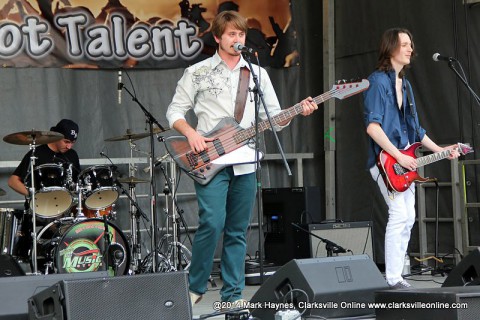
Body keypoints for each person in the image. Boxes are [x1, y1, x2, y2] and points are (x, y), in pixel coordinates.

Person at [166, 11, 317, 306]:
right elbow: (174, 111)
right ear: (219, 37)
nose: (237, 39)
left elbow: (273, 119)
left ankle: (232, 296)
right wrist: (191, 134)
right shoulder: (197, 72)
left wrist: (298, 110)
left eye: (241, 34)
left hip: (246, 161)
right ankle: (195, 287)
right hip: (210, 159)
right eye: (232, 34)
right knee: (211, 222)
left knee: (238, 230)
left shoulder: (257, 73)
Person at [363, 28, 460, 289]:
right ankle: (393, 278)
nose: (410, 49)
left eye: (411, 44)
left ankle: (397, 276)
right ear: (391, 48)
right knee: (398, 214)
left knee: (409, 217)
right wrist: (398, 157)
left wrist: (441, 150)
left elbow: (416, 131)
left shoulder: (404, 84)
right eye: (405, 44)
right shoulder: (377, 82)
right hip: (387, 161)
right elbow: (373, 128)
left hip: (404, 160)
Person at [8, 119, 80, 258]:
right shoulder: (37, 154)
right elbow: (13, 181)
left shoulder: (72, 155)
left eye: (72, 142)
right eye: (66, 141)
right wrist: (33, 196)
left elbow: (77, 184)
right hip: (40, 210)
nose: (69, 146)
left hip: (65, 210)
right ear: (57, 136)